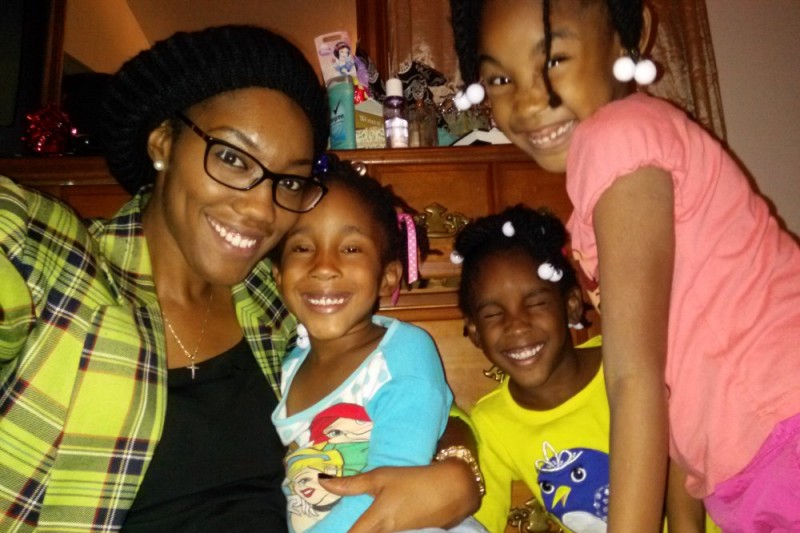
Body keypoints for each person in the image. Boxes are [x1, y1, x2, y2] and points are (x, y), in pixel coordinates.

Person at [0, 25, 480, 533]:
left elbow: (402, 389)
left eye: (287, 180)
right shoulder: (54, 265)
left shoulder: (273, 301)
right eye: (231, 157)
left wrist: (458, 468)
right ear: (162, 143)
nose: (260, 208)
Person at [449, 1, 800, 531]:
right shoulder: (618, 163)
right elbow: (669, 381)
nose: (528, 99)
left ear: (625, 37)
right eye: (500, 78)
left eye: (554, 59)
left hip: (779, 432)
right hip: (755, 453)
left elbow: (636, 379)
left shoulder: (617, 136)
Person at [454, 205, 720, 533]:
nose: (517, 325)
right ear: (475, 331)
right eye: (494, 314)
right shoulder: (492, 422)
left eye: (535, 303)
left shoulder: (634, 362)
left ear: (571, 305)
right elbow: (477, 524)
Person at [270, 159, 487, 533]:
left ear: (388, 277)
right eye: (302, 247)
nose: (324, 266)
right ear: (277, 275)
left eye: (351, 249)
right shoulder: (289, 365)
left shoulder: (402, 353)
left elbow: (390, 483)